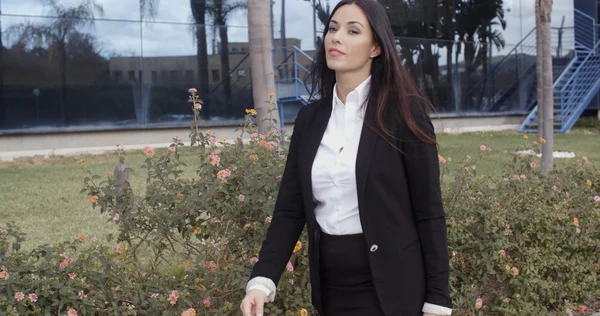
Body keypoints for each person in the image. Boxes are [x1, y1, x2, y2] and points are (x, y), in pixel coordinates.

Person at [240, 0, 452, 315]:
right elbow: (289, 209)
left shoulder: (404, 114)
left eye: (353, 31)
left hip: (394, 293)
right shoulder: (310, 119)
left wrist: (437, 302)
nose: (336, 38)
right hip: (331, 291)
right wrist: (261, 281)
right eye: (333, 28)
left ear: (376, 48)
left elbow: (429, 212)